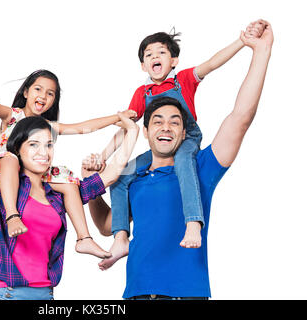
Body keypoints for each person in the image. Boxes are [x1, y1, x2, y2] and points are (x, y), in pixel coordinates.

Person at [84, 20, 273, 299]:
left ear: (184, 131)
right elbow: (105, 224)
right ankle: (121, 241)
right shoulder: (136, 175)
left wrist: (259, 49)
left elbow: (241, 116)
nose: (166, 127)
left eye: (175, 122)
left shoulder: (200, 168)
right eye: (157, 121)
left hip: (186, 294)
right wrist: (94, 179)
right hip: (136, 294)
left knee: (165, 164)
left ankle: (192, 222)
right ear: (145, 131)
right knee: (118, 171)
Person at [0, 55, 140, 299]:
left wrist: (121, 121)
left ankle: (84, 237)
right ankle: (11, 214)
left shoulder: (52, 160)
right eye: (38, 89)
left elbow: (87, 132)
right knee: (10, 161)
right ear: (25, 91)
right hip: (6, 176)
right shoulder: (11, 118)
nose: (43, 97)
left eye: (50, 94)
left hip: (43, 293)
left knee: (69, 182)